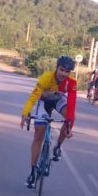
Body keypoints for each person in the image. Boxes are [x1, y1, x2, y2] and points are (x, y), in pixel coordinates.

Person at [20, 54, 78, 188]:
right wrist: (25, 113)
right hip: (44, 100)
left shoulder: (71, 83)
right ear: (56, 68)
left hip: (58, 101)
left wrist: (69, 125)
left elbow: (71, 104)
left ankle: (58, 145)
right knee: (38, 135)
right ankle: (33, 173)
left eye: (67, 71)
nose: (64, 73)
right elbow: (34, 96)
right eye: (62, 70)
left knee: (70, 118)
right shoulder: (46, 77)